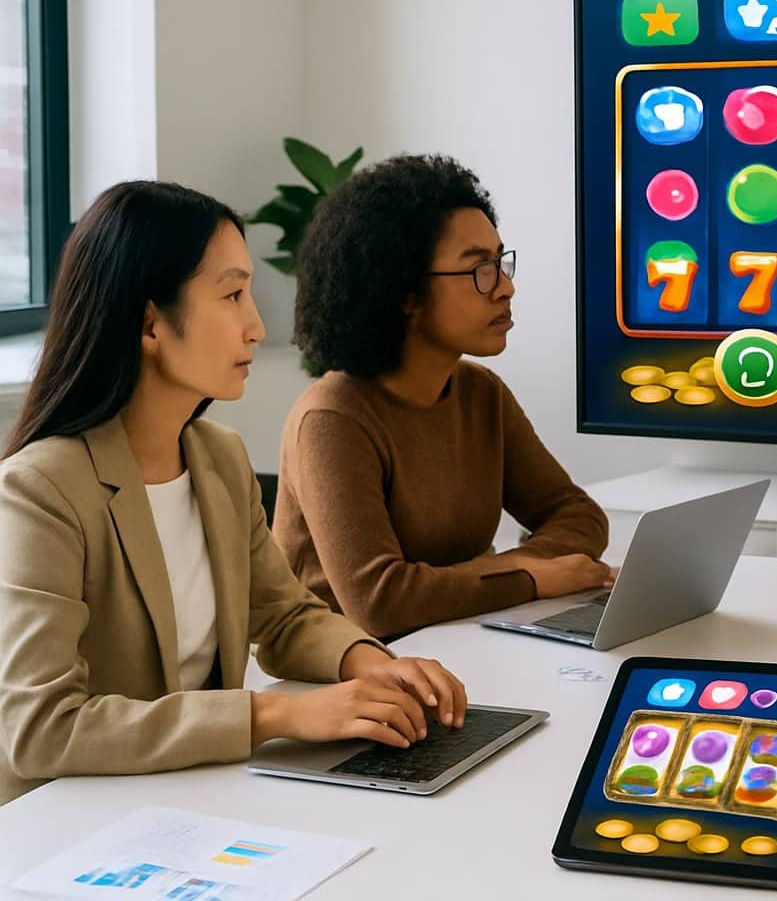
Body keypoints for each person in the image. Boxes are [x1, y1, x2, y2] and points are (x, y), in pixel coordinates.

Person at [0, 181, 467, 806]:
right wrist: (273, 716)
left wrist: (375, 665)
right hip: (68, 819)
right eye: (232, 295)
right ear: (149, 322)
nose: (256, 327)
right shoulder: (38, 490)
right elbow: (41, 729)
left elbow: (283, 615)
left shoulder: (218, 457)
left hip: (191, 798)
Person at [278, 155, 611, 641]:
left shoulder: (480, 392)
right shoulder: (332, 417)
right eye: (479, 270)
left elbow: (579, 515)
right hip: (353, 668)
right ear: (404, 293)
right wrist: (529, 578)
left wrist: (506, 570)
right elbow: (379, 603)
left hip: (460, 638)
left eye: (500, 263)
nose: (506, 287)